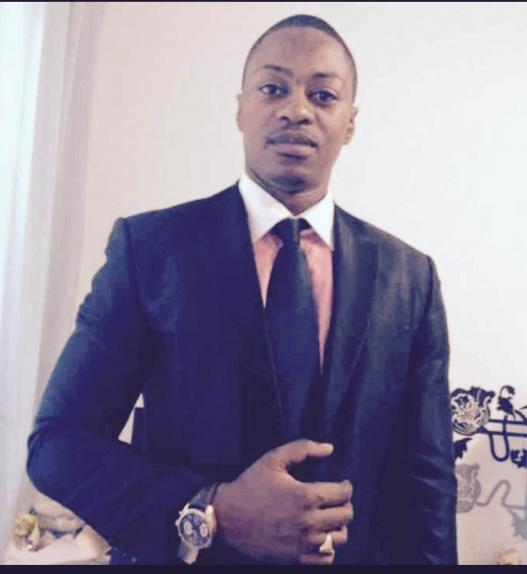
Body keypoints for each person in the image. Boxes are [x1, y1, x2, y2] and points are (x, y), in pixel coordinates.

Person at [26, 14, 457, 565]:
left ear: (350, 122)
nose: (296, 110)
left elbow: (427, 481)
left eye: (323, 95)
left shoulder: (410, 278)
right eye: (273, 88)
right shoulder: (151, 251)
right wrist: (211, 509)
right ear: (240, 108)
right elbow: (58, 444)